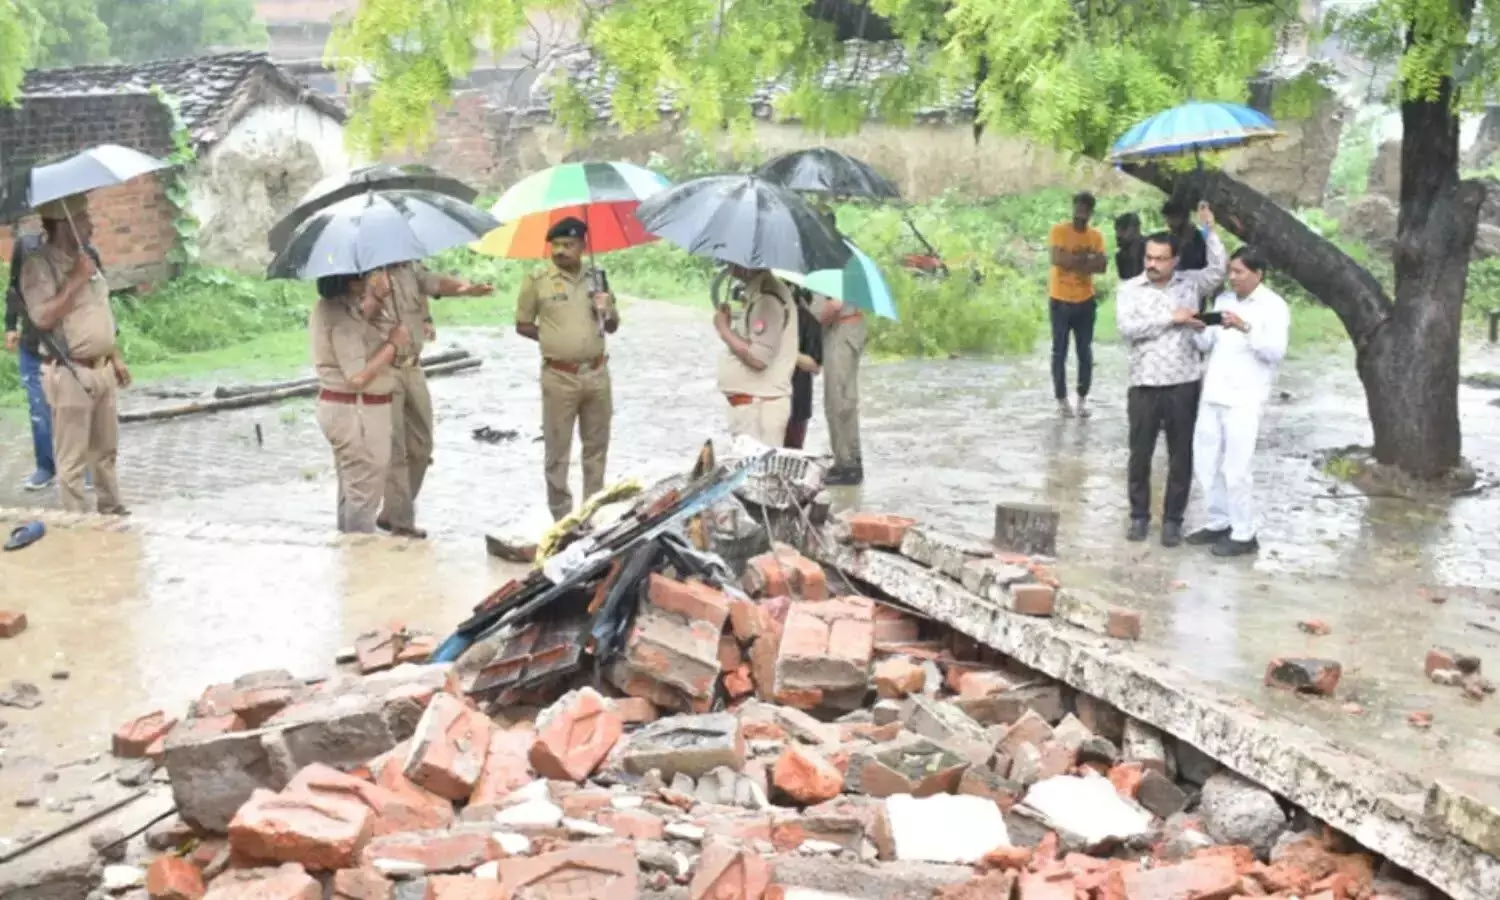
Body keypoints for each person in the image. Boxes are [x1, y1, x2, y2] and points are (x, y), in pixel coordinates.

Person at [1115, 201, 1227, 547]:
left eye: (1160, 259)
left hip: (1184, 382)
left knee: (1181, 455)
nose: (1152, 264)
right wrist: (1171, 319)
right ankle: (1138, 517)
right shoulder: (1130, 289)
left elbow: (1219, 269)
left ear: (1175, 260)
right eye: (1149, 257)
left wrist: (1209, 229)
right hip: (1144, 382)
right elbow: (1128, 329)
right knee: (1140, 454)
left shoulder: (1190, 284)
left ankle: (1173, 520)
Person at [18, 196, 129, 515]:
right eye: (83, 218)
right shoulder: (38, 266)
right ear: (64, 225)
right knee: (73, 460)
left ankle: (112, 509)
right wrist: (77, 279)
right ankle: (77, 526)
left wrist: (115, 357)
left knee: (106, 451)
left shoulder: (88, 256)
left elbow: (100, 311)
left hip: (101, 368)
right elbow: (41, 318)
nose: (91, 223)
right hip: (69, 372)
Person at [373, 262, 493, 539]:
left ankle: (392, 511)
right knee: (395, 448)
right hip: (383, 370)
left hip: (413, 366)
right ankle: (402, 521)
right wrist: (374, 295)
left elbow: (435, 283)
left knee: (422, 445)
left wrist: (465, 289)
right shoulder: (367, 275)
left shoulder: (410, 270)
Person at [515, 217, 620, 521]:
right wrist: (551, 339)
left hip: (597, 375)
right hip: (559, 377)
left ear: (582, 246)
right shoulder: (537, 279)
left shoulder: (597, 278)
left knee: (596, 448)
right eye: (556, 245)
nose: (560, 251)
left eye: (568, 245)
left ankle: (592, 513)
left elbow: (612, 327)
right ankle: (562, 518)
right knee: (557, 451)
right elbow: (522, 325)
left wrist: (606, 309)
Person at [1188, 245, 1290, 557]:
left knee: (1236, 467)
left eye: (1239, 272)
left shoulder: (1273, 306)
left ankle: (1245, 533)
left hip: (1245, 397)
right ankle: (1219, 521)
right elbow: (1207, 343)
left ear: (1258, 274)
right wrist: (1198, 326)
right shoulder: (1224, 300)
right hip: (1214, 392)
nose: (1232, 278)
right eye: (1230, 271)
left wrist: (1245, 326)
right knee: (1206, 462)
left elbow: (1275, 352)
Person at [311, 270, 409, 533]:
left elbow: (360, 322)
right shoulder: (342, 319)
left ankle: (349, 551)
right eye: (366, 276)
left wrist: (376, 299)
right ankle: (360, 556)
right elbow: (357, 377)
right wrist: (392, 345)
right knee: (364, 494)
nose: (371, 278)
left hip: (345, 410)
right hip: (356, 412)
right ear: (353, 282)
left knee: (352, 489)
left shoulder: (329, 308)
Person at [715, 264, 798, 445]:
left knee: (757, 471)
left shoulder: (768, 299)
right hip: (754, 406)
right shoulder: (761, 294)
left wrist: (724, 331)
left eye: (733, 261)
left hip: (759, 410)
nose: (729, 266)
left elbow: (758, 358)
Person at [1047, 192, 1107, 418]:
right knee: (1059, 351)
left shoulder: (1096, 236)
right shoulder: (1059, 231)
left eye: (1086, 208)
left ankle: (1082, 399)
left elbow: (1101, 266)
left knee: (1085, 351)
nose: (1081, 212)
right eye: (1078, 207)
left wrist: (1074, 261)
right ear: (1073, 208)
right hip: (1060, 299)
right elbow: (1057, 259)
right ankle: (1061, 400)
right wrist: (1087, 261)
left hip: (1085, 300)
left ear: (1091, 212)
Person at [6, 231, 55, 492]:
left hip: (65, 346)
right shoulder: (25, 246)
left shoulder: (81, 249)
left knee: (73, 409)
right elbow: (14, 287)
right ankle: (46, 467)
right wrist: (10, 325)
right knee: (39, 410)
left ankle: (85, 467)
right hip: (32, 342)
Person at [785, 287, 824, 450]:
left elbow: (815, 365)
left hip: (796, 399)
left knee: (792, 452)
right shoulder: (761, 314)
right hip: (763, 397)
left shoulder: (806, 319)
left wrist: (786, 352)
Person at [1162, 198, 1209, 273]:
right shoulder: (1172, 238)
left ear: (1184, 217)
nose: (1168, 222)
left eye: (1173, 217)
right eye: (1167, 218)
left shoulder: (1200, 239)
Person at [1114, 212, 1145, 281]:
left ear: (1135, 228)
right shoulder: (1120, 254)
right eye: (1117, 230)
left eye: (1123, 230)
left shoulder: (1150, 248)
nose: (1118, 235)